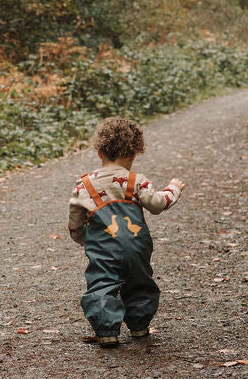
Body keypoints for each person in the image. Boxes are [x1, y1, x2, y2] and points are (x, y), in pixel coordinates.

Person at [68, 117, 185, 347]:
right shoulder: (136, 181)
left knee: (102, 284)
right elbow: (158, 204)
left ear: (100, 152)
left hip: (103, 248)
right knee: (139, 281)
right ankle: (140, 326)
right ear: (133, 155)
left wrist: (86, 240)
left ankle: (106, 331)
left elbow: (75, 225)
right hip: (136, 246)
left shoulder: (83, 186)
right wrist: (174, 189)